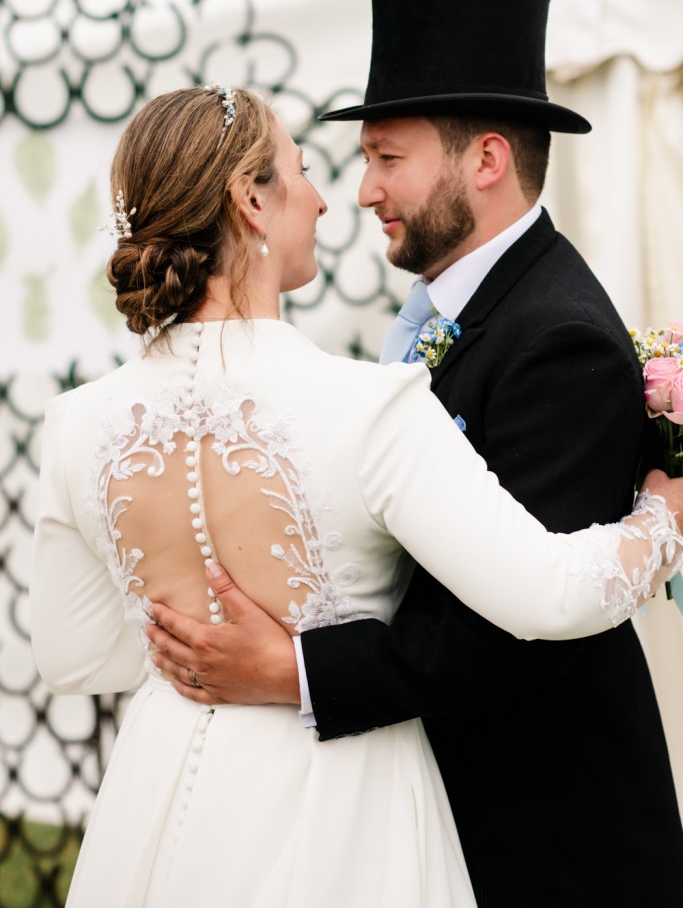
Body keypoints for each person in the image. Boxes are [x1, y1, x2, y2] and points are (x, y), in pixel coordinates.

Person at [30, 81, 682, 908]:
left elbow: (73, 656)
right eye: (302, 170)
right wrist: (662, 520)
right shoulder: (368, 406)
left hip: (161, 797)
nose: (330, 198)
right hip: (342, 802)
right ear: (251, 201)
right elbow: (548, 596)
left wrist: (193, 633)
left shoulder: (75, 424)